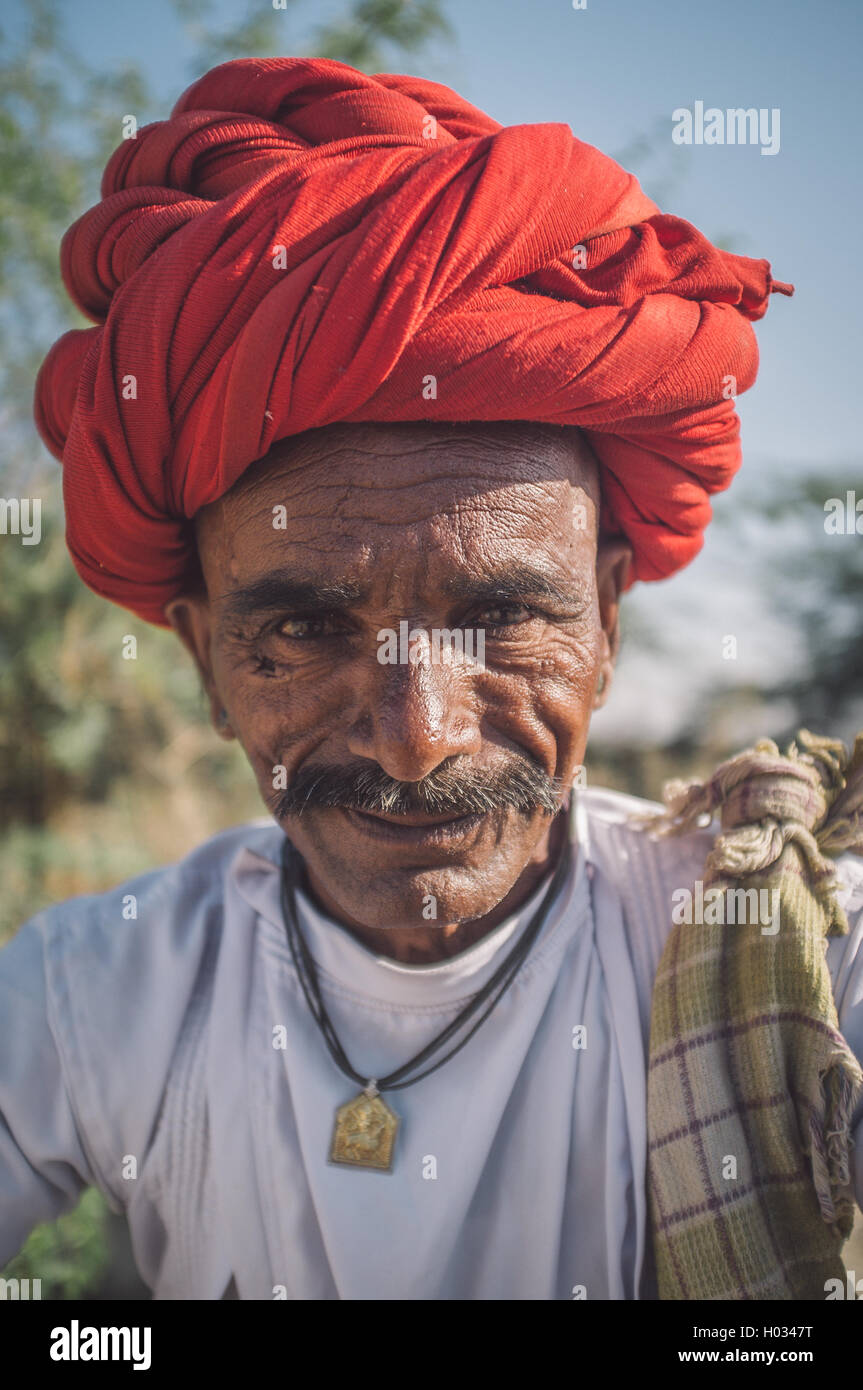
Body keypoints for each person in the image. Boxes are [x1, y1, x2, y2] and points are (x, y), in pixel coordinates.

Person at [2, 56, 860, 1301]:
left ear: (607, 621)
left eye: (503, 615)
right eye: (301, 628)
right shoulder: (99, 989)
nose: (417, 738)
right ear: (202, 655)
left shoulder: (780, 950)